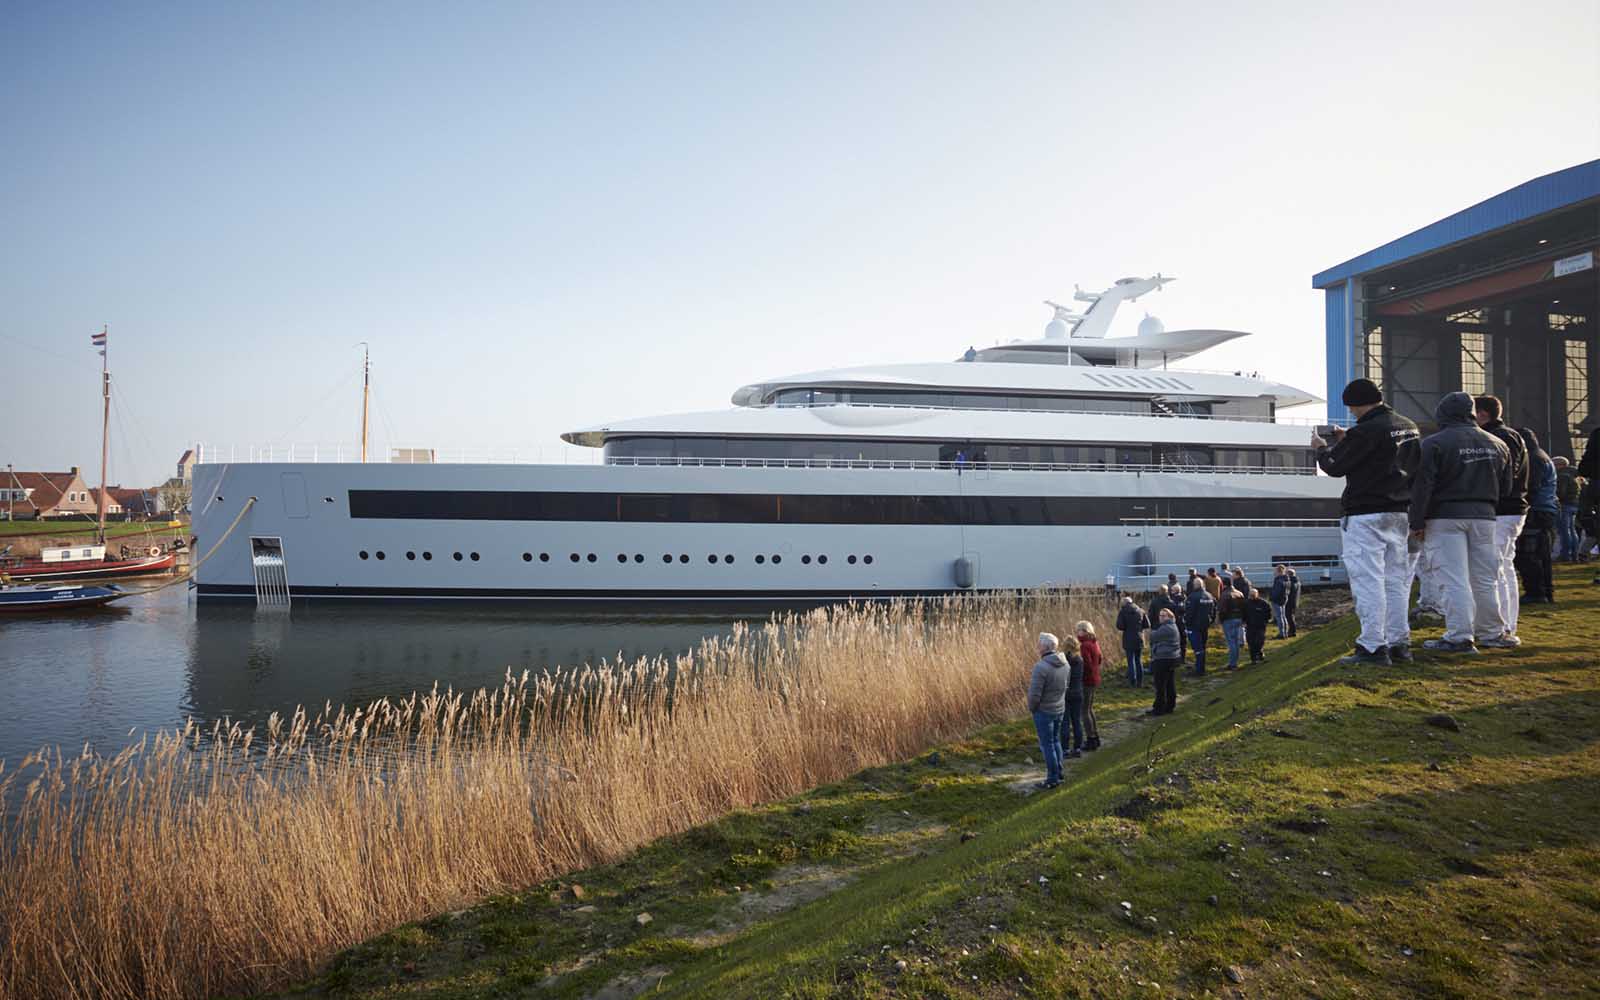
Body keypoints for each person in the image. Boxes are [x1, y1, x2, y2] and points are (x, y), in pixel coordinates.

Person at [1311, 378, 1421, 666]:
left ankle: (1372, 646)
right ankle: (1400, 644)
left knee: (1368, 581)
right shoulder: (1408, 426)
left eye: (1352, 409)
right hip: (1400, 512)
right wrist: (1350, 439)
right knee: (1396, 581)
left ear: (1358, 404)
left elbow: (1335, 468)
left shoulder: (1366, 431)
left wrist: (1321, 449)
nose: (1352, 415)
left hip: (1365, 515)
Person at [1410, 392, 1513, 653]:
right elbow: (1507, 487)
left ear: (1442, 414)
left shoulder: (1433, 443)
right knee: (1485, 578)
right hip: (1485, 517)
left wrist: (1417, 521)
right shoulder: (1497, 444)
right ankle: (1492, 633)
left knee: (1453, 578)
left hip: (1445, 518)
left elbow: (1423, 486)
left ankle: (1459, 636)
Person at [1473, 395, 1530, 640]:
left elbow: (1506, 474)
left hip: (1502, 510)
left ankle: (1501, 627)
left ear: (1483, 414)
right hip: (1512, 509)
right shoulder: (1511, 435)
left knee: (1495, 569)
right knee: (1503, 567)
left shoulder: (1499, 438)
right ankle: (1505, 624)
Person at [1517, 428, 1557, 604]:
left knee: (1528, 553)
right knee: (1541, 553)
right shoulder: (1542, 456)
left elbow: (1530, 486)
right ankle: (1545, 591)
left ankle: (1536, 591)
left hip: (1535, 510)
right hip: (1545, 508)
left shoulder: (1532, 459)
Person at [1026, 633, 1068, 789]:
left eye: (1039, 644)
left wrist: (1032, 708)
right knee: (1055, 741)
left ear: (1045, 647)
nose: (1037, 647)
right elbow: (1065, 685)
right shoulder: (1065, 663)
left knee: (1047, 744)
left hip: (1044, 711)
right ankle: (1059, 773)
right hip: (1059, 707)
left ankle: (1052, 778)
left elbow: (1034, 694)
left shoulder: (1041, 667)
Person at [1147, 608, 1182, 716]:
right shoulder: (1171, 626)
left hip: (1164, 658)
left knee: (1160, 685)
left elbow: (1152, 637)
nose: (1161, 618)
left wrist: (1150, 632)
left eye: (1164, 616)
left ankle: (1159, 708)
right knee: (1169, 684)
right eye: (1160, 615)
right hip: (1171, 658)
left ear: (1170, 617)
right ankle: (1169, 706)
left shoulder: (1167, 628)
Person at [1059, 633, 1086, 760]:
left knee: (1065, 722)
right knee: (1076, 721)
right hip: (1077, 693)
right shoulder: (1080, 660)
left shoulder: (1063, 660)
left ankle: (1065, 749)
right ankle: (1077, 748)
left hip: (1065, 694)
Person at [1075, 621, 1102, 751]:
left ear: (1085, 631)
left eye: (1079, 630)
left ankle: (1090, 739)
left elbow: (1086, 664)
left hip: (1087, 681)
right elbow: (1100, 659)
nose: (1077, 633)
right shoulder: (1094, 642)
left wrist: (1079, 676)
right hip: (1095, 679)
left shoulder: (1084, 645)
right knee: (1090, 709)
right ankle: (1095, 736)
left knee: (1084, 711)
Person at [1115, 595, 1150, 687]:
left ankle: (1132, 682)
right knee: (1138, 660)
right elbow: (1147, 625)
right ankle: (1140, 682)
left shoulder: (1123, 612)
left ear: (1124, 603)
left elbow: (1120, 626)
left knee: (1130, 661)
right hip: (1139, 638)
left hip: (1128, 638)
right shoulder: (1141, 610)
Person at [1184, 578, 1215, 675]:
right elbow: (1213, 611)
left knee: (1198, 648)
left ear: (1195, 585)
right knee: (1202, 647)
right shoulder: (1209, 596)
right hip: (1205, 625)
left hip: (1194, 626)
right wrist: (1210, 622)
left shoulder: (1192, 597)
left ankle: (1199, 670)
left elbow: (1190, 613)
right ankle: (1201, 667)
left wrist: (1187, 623)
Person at [1555, 456, 1583, 562]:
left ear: (1560, 465)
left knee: (1564, 531)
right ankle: (1574, 554)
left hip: (1564, 505)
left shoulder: (1562, 476)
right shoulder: (1574, 474)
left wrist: (1556, 498)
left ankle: (1566, 554)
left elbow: (1561, 492)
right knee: (1572, 530)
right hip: (1573, 504)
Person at [1217, 586, 1246, 669]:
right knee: (1236, 641)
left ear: (1225, 585)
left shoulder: (1225, 595)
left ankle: (1232, 664)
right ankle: (1235, 661)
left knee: (1231, 642)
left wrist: (1221, 620)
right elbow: (1244, 607)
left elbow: (1222, 609)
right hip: (1238, 618)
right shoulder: (1239, 593)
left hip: (1228, 620)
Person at [1244, 587, 1273, 663]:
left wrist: (1266, 620)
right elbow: (1244, 614)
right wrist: (1244, 621)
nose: (1252, 597)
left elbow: (1269, 613)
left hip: (1261, 625)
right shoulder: (1246, 603)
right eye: (1251, 595)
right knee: (1251, 642)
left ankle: (1259, 653)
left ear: (1257, 594)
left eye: (1253, 595)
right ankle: (1253, 658)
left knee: (1260, 641)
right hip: (1250, 626)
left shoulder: (1263, 603)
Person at [1168, 583, 1188, 662]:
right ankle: (1182, 658)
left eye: (1172, 590)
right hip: (1183, 623)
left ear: (1174, 591)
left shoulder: (1172, 601)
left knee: (1174, 641)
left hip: (1175, 623)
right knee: (1183, 641)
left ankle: (1175, 658)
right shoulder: (1185, 599)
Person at [1269, 564, 1290, 638]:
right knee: (1283, 616)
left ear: (1278, 571)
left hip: (1277, 601)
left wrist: (1272, 598)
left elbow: (1276, 592)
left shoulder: (1278, 580)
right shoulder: (1287, 579)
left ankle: (1282, 634)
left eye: (1275, 571)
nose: (1274, 572)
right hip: (1284, 599)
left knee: (1279, 617)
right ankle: (1285, 632)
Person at [1285, 567, 1301, 636]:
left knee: (1289, 617)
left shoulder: (1291, 582)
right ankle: (1292, 630)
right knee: (1292, 616)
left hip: (1290, 602)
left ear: (1289, 574)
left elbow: (1288, 592)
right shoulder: (1297, 582)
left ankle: (1292, 631)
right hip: (1295, 601)